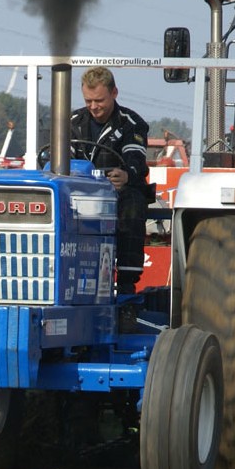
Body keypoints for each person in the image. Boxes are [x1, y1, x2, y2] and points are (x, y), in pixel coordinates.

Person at [70, 66, 151, 300]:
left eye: (99, 101)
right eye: (88, 101)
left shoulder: (131, 123)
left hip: (118, 193)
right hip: (80, 192)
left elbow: (136, 158)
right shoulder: (72, 122)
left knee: (132, 202)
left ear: (114, 93)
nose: (94, 107)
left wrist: (126, 175)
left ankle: (126, 286)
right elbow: (60, 158)